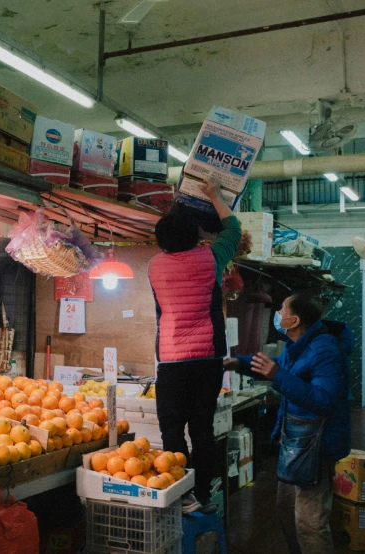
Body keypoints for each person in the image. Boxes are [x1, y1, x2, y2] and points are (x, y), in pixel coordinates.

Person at [225, 293, 352, 554]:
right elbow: (275, 366)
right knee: (286, 512)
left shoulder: (324, 349)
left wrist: (277, 376)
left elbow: (324, 401)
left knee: (309, 522)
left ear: (293, 320)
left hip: (316, 446)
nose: (277, 314)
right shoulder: (298, 346)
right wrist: (238, 363)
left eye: (282, 309)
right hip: (296, 442)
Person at [148, 180, 242, 514]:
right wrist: (215, 195)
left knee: (171, 429)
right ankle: (202, 494)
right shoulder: (212, 257)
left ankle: (182, 495)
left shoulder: (154, 267)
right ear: (197, 236)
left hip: (172, 361)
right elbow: (233, 227)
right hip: (207, 359)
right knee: (202, 429)